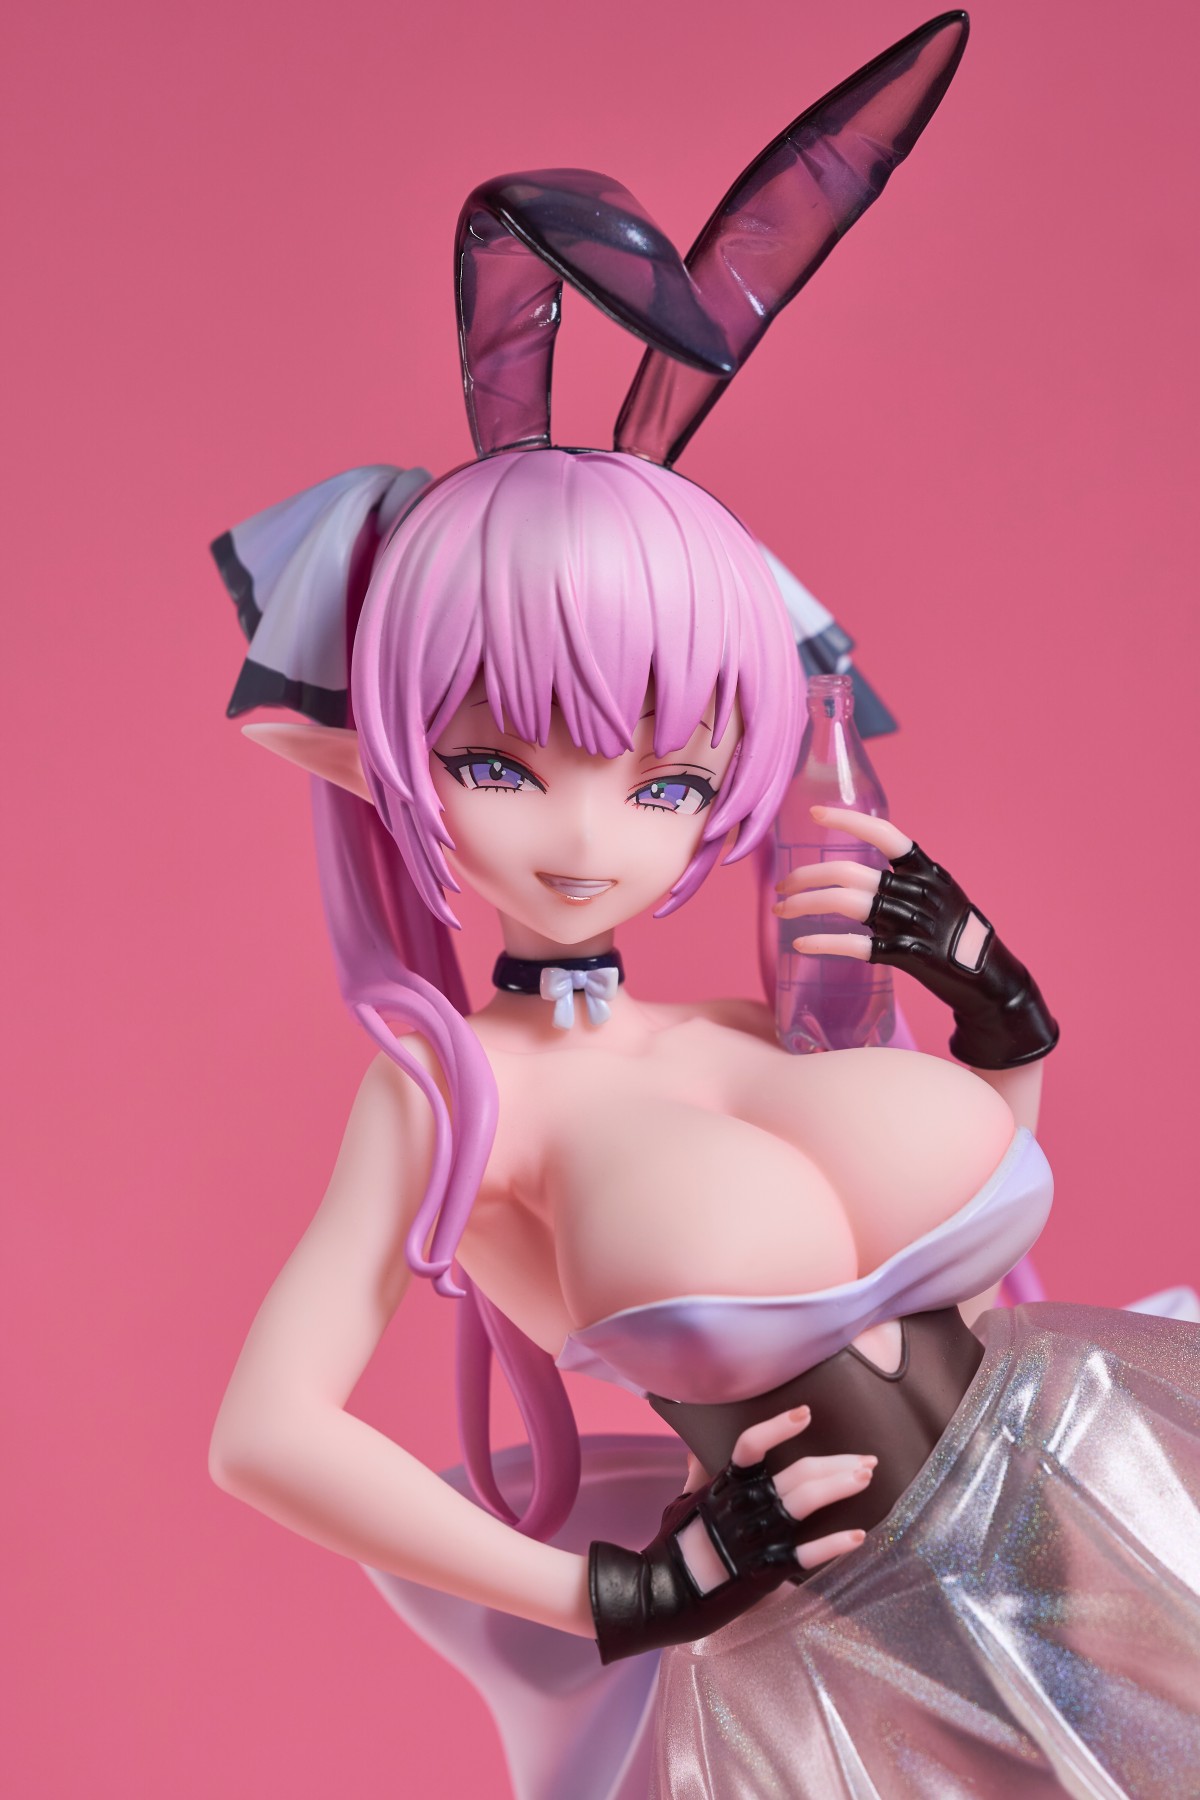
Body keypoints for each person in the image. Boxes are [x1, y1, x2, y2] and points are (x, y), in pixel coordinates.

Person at [209, 17, 1200, 1796]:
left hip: (1122, 1490)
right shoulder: (457, 1092)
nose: (592, 834)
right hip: (865, 1666)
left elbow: (954, 1244)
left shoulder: (747, 1028)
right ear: (389, 755)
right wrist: (618, 1594)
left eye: (667, 783)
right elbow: (266, 1434)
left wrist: (1001, 1026)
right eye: (501, 761)